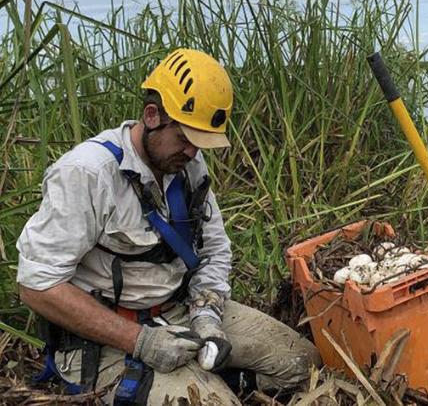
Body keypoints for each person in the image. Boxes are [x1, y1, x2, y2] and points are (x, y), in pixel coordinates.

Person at [16, 48, 320, 405]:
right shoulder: (86, 174)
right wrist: (139, 341)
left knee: (304, 363)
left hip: (181, 310)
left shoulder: (187, 164)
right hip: (107, 339)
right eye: (186, 138)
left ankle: (210, 377)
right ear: (152, 115)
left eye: (200, 142)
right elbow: (37, 286)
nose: (192, 153)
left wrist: (206, 315)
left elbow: (215, 249)